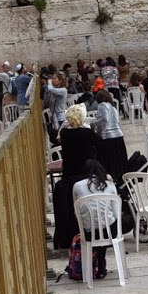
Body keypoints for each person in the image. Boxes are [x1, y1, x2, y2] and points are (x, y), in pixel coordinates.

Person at [51, 104, 101, 255]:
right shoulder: (87, 133)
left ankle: (70, 237)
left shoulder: (65, 133)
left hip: (70, 174)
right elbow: (99, 141)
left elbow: (58, 138)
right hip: (86, 174)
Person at [70, 158, 119, 278]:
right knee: (106, 223)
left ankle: (96, 265)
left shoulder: (77, 186)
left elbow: (77, 212)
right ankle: (101, 265)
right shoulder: (110, 186)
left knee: (93, 228)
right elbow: (116, 213)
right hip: (109, 232)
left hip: (88, 233)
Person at [89, 89, 129, 183]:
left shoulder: (102, 105)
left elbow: (105, 119)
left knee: (109, 162)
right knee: (118, 162)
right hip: (118, 135)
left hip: (108, 136)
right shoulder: (113, 107)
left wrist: (93, 123)